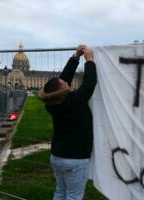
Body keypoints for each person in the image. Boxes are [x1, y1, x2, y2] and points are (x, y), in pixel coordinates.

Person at [38, 44, 97, 200]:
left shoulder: (52, 104)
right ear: (62, 90)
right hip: (75, 159)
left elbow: (63, 79)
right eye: (65, 85)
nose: (67, 83)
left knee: (61, 192)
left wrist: (75, 57)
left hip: (57, 156)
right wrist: (89, 61)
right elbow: (89, 84)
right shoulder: (74, 101)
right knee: (73, 196)